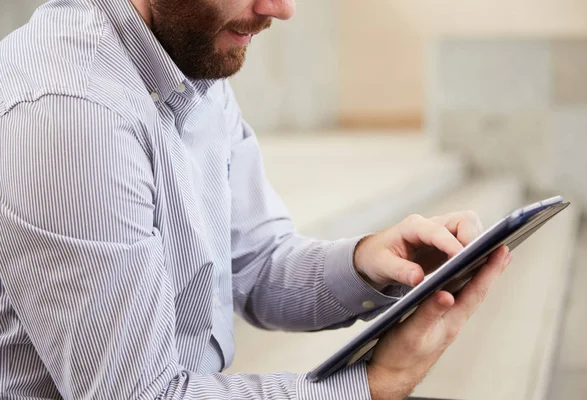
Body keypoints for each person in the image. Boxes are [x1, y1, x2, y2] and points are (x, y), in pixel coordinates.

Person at [0, 0, 512, 399]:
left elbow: (258, 263)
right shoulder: (71, 115)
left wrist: (368, 263)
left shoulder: (189, 56)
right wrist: (374, 387)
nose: (282, 9)